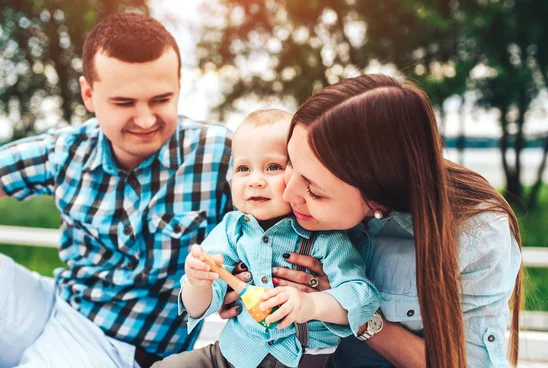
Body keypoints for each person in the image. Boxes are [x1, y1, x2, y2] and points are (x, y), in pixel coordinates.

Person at [0, 13, 233, 368]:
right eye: (124, 103)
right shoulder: (65, 149)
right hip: (50, 307)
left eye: (160, 99)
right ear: (89, 95)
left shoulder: (220, 153)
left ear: (179, 85)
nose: (145, 119)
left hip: (121, 351)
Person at [221, 74, 522, 367]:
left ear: (376, 199)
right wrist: (237, 286)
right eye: (288, 165)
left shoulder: (475, 232)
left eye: (314, 190)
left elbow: (465, 363)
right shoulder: (301, 195)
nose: (288, 192)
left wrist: (352, 311)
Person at [153, 109, 380, 368]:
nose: (255, 181)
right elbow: (198, 308)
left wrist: (312, 304)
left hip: (302, 360)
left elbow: (362, 297)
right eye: (243, 169)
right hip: (235, 353)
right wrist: (198, 283)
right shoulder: (232, 230)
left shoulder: (325, 236)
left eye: (273, 167)